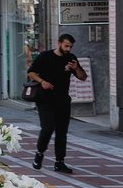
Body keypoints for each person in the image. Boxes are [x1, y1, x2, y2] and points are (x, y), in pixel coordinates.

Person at [26, 33, 87, 174]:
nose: (68, 49)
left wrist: (76, 68)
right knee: (47, 128)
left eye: (70, 47)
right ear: (59, 43)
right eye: (66, 46)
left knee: (62, 132)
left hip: (63, 99)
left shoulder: (71, 58)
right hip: (45, 99)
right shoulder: (45, 56)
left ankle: (60, 162)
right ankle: (39, 153)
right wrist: (42, 82)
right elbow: (31, 73)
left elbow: (83, 77)